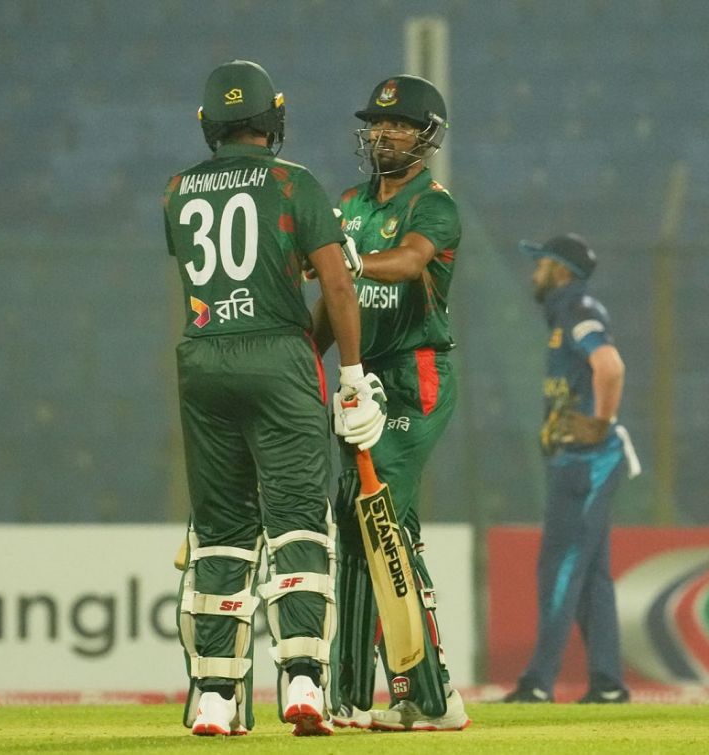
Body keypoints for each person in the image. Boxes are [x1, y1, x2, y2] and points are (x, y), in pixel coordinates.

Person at [163, 60, 387, 737]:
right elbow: (336, 285)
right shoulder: (294, 183)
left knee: (222, 531)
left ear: (209, 123)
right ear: (273, 118)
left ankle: (216, 696)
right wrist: (352, 376)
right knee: (297, 522)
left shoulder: (176, 190)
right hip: (280, 358)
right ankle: (303, 681)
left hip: (203, 357)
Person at [310, 74, 470, 732]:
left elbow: (407, 262)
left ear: (427, 137)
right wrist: (305, 354)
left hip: (414, 376)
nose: (383, 134)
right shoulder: (349, 202)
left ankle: (391, 695)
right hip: (361, 374)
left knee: (374, 518)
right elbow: (335, 297)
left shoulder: (434, 205)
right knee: (371, 523)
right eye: (377, 124)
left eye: (400, 124)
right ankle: (390, 694)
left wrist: (348, 260)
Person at [502, 233, 640, 704]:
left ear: (560, 270)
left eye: (540, 263)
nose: (534, 272)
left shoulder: (578, 309)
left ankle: (538, 682)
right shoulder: (567, 312)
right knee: (592, 575)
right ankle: (608, 684)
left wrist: (600, 422)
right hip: (580, 460)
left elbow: (610, 366)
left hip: (586, 462)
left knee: (559, 567)